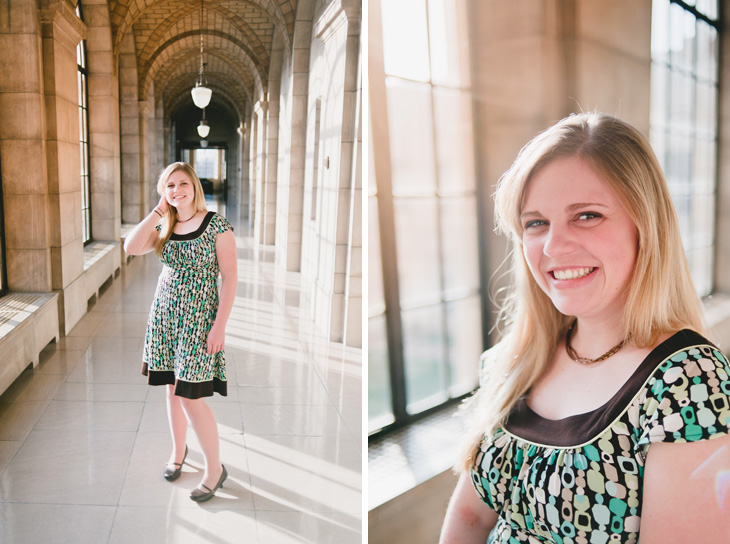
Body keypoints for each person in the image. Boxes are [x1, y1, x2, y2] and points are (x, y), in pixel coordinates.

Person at [439, 112, 730, 543]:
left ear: (645, 226)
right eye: (536, 222)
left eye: (587, 215)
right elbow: (469, 519)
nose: (554, 246)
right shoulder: (514, 360)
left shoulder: (686, 382)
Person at [123, 162, 237, 503]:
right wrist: (159, 210)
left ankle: (214, 469)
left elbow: (230, 278)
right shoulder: (164, 222)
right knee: (172, 388)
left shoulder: (216, 224)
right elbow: (131, 247)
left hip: (199, 319)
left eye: (183, 183)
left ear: (194, 187)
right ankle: (178, 452)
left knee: (191, 396)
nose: (177, 190)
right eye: (169, 185)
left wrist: (220, 326)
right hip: (166, 316)